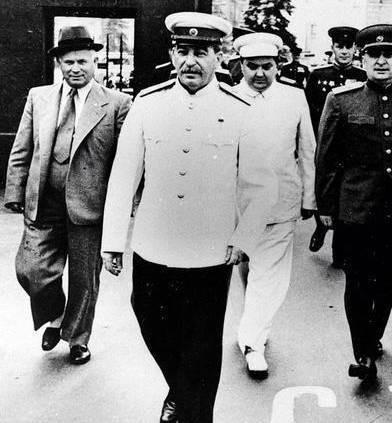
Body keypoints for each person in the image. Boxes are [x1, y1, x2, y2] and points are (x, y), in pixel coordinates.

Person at [100, 12, 276, 423]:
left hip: (210, 250)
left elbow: (261, 184)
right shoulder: (148, 103)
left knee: (202, 342)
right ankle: (181, 390)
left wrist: (244, 237)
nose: (190, 61)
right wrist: (113, 242)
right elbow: (124, 176)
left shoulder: (241, 108)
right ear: (172, 53)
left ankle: (195, 413)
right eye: (183, 51)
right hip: (153, 243)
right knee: (150, 321)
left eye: (201, 52)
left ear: (219, 56)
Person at [316, 24, 392, 381]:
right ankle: (363, 352)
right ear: (362, 58)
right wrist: (326, 207)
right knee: (357, 282)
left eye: (389, 54)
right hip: (356, 208)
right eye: (373, 54)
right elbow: (327, 158)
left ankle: (373, 337)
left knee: (388, 280)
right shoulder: (341, 100)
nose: (381, 61)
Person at [4, 26, 131, 365]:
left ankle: (77, 338)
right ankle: (56, 315)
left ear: (95, 61)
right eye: (69, 62)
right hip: (45, 200)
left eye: (82, 61)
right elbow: (22, 147)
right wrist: (15, 190)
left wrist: (123, 206)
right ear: (59, 63)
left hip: (89, 205)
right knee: (30, 268)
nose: (76, 68)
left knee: (84, 279)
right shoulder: (39, 97)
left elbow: (126, 161)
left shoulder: (117, 103)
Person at [231, 32, 317, 379]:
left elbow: (307, 150)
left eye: (267, 66)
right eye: (252, 66)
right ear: (240, 66)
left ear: (278, 66)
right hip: (238, 204)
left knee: (269, 276)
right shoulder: (227, 98)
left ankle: (253, 344)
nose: (260, 74)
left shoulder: (294, 98)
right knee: (250, 267)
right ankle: (254, 324)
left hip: (281, 201)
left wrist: (310, 198)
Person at [305, 26, 367, 266]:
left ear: (355, 49)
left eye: (349, 47)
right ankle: (320, 226)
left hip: (351, 147)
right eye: (340, 46)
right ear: (332, 48)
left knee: (344, 194)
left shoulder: (362, 76)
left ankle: (339, 249)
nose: (344, 51)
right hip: (323, 142)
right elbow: (309, 111)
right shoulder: (318, 75)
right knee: (322, 187)